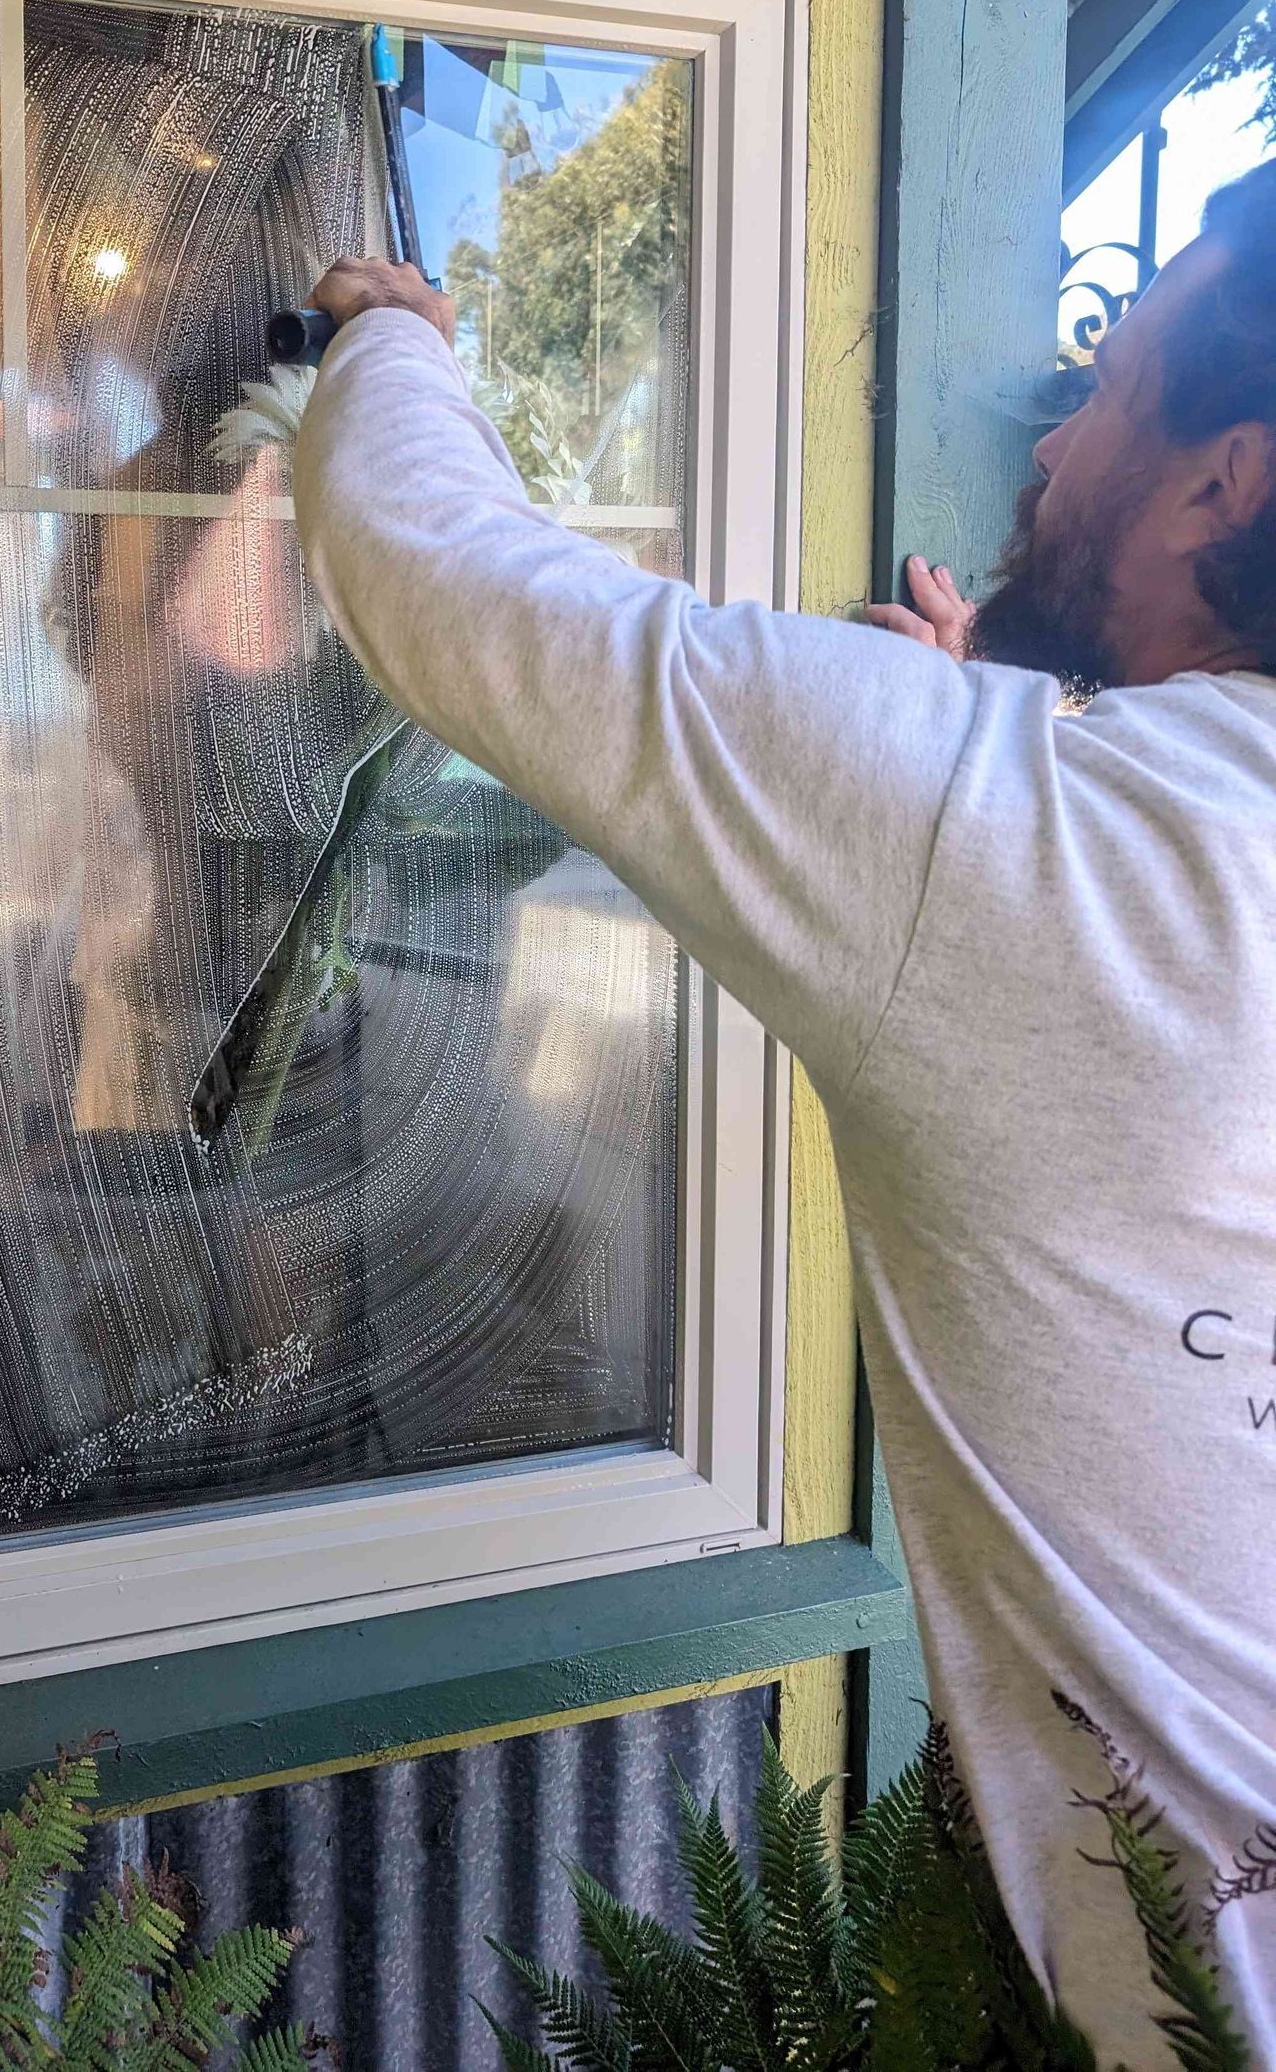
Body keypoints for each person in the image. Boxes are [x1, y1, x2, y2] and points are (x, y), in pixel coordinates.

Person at [290, 160, 1276, 2063]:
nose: (1055, 443)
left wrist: (393, 341)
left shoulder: (1028, 839)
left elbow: (445, 576)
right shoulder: (1063, 825)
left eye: (1107, 390)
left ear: (1221, 484)